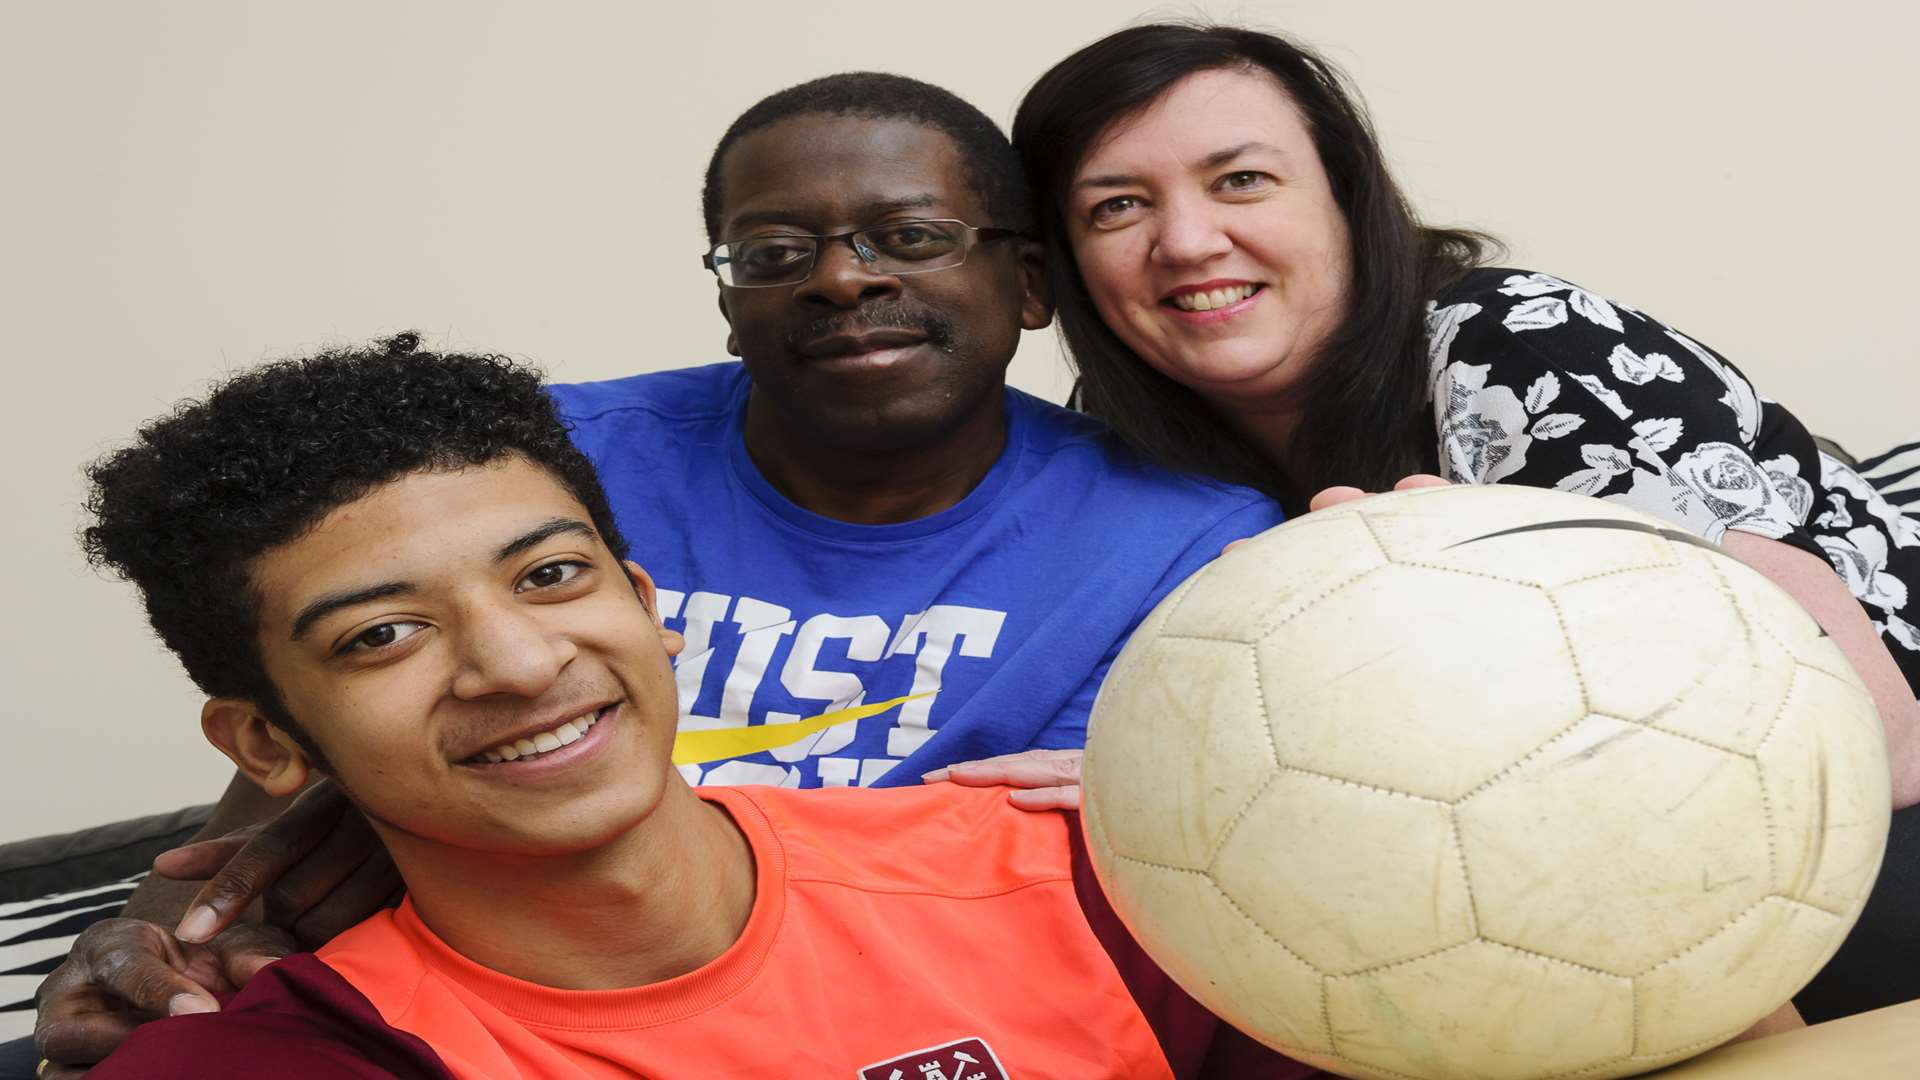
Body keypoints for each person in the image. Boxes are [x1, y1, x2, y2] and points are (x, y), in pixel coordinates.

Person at [21, 73, 1285, 1076]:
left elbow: (1042, 875)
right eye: (775, 252)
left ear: (1025, 283)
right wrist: (157, 944)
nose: (844, 276)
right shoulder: (555, 458)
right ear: (727, 300)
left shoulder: (1188, 540)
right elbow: (297, 736)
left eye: (910, 234)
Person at [1006, 21, 1920, 1020]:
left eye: (1242, 182)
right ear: (1057, 269)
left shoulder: (1515, 345)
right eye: (1118, 206)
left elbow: (1865, 739)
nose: (1185, 241)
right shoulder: (1121, 463)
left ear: (1349, 202)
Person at [68, 342, 1304, 1079]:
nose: (516, 661)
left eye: (550, 575)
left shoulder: (1077, 886)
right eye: (383, 634)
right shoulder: (282, 1058)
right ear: (269, 745)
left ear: (649, 600)